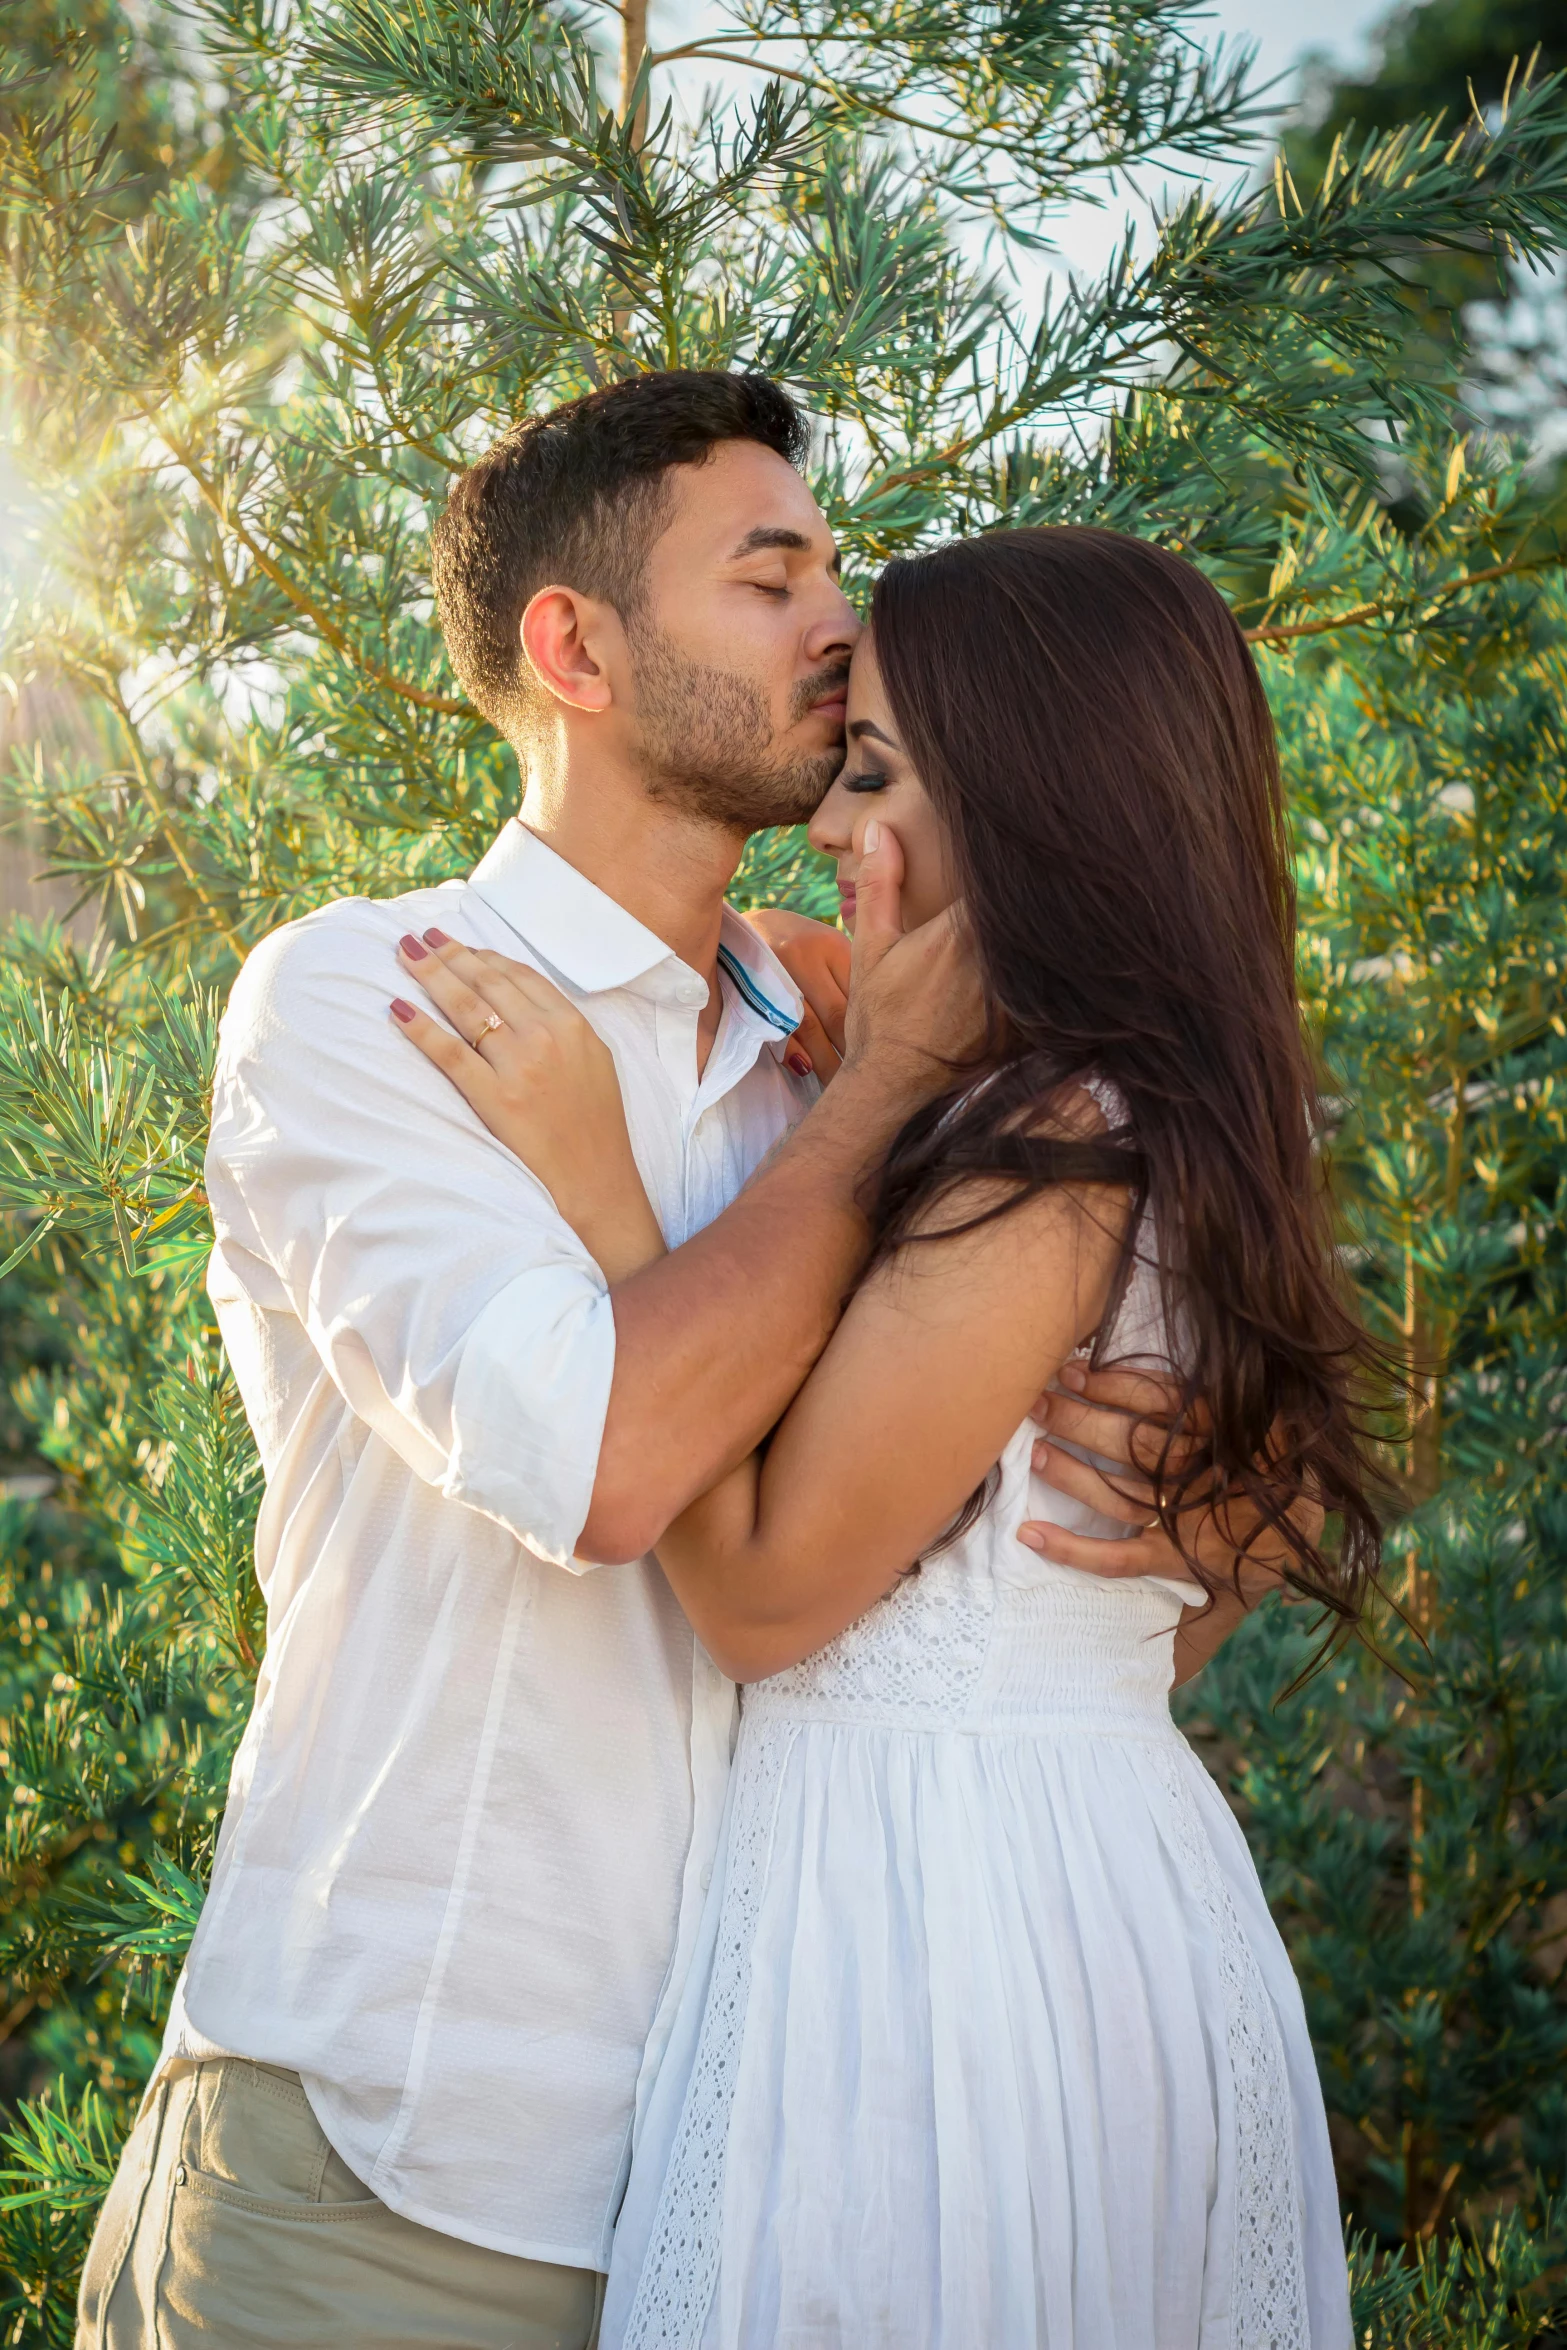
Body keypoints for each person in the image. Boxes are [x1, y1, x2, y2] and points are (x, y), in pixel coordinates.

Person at [77, 372, 1306, 2350]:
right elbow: (612, 1463)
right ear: (574, 645)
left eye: (836, 565)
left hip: (795, 2157)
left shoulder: (857, 1040)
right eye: (771, 573)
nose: (837, 616)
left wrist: (1231, 1503)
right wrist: (889, 1082)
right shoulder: (374, 1006)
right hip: (411, 2175)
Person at [393, 523, 1375, 2348]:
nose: (837, 829)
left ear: (1037, 806)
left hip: (941, 1942)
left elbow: (765, 1598)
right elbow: (1155, 1587)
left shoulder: (1046, 1150)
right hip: (1058, 1881)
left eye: (881, 774)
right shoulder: (1147, 1113)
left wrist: (611, 1201)